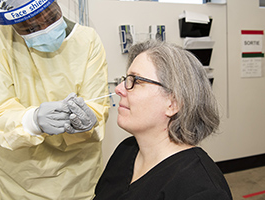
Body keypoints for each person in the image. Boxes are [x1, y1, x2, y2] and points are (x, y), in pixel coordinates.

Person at [0, 0, 109, 199]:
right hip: (21, 181)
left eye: (52, 17)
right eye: (32, 27)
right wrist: (32, 120)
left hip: (79, 175)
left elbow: (96, 104)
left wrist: (89, 120)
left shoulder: (87, 40)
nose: (46, 29)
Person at [94, 40, 233, 200]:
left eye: (136, 80)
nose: (119, 89)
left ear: (173, 103)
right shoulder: (126, 151)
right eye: (125, 79)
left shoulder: (201, 188)